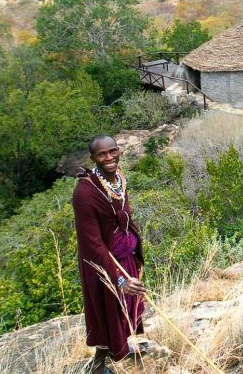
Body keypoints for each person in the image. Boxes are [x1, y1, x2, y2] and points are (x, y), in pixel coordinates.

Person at [73, 135, 147, 374]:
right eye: (102, 155)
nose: (109, 158)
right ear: (93, 158)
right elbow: (92, 242)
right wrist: (119, 279)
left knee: (127, 307)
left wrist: (135, 251)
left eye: (112, 151)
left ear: (118, 151)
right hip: (105, 264)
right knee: (108, 312)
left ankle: (120, 348)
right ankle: (98, 366)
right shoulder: (85, 192)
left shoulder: (119, 179)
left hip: (125, 257)